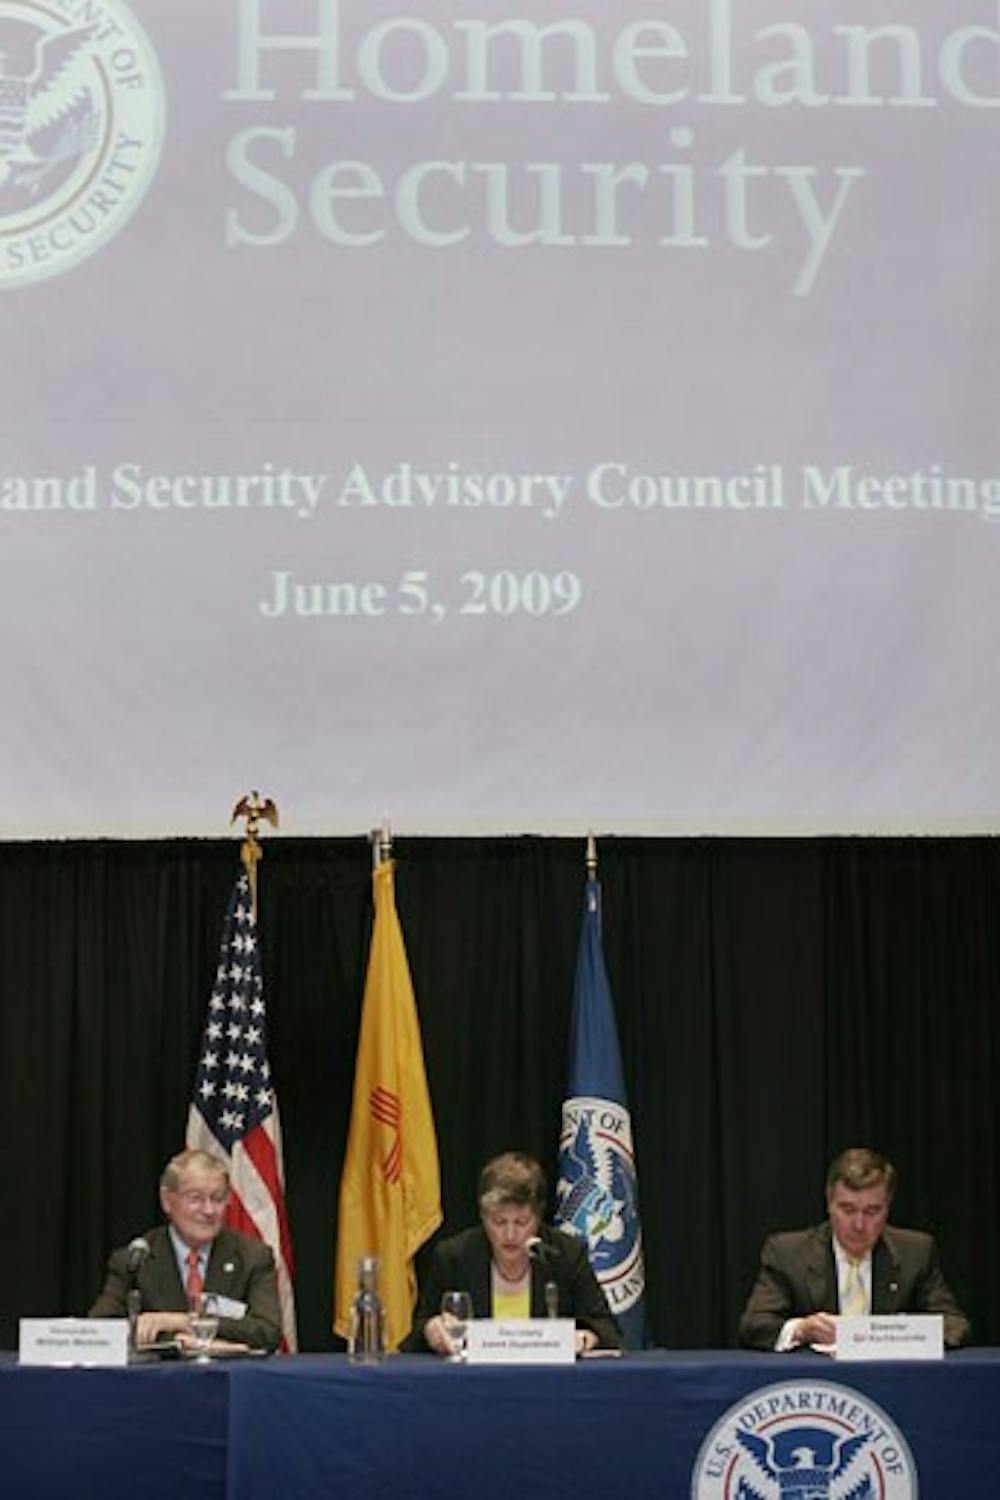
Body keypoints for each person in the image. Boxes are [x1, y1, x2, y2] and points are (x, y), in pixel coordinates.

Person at [738, 1146, 970, 1351]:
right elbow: (754, 1325)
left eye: (872, 1211)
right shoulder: (788, 1253)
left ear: (887, 1208)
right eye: (848, 1210)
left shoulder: (915, 1252)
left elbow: (955, 1325)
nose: (859, 1225)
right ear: (829, 1204)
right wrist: (802, 1329)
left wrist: (901, 1335)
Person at [406, 1151, 622, 1355]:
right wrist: (431, 1329)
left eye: (521, 1222)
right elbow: (417, 1332)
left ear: (538, 1217)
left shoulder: (564, 1254)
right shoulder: (454, 1257)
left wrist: (585, 1338)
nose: (510, 1235)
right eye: (499, 1222)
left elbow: (607, 1329)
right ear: (483, 1216)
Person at [89, 1148, 281, 1352]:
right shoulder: (136, 1259)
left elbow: (267, 1331)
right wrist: (179, 1341)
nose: (208, 1210)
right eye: (196, 1199)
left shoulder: (252, 1257)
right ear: (167, 1200)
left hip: (228, 1380)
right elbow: (100, 1330)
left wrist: (180, 1322)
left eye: (217, 1199)